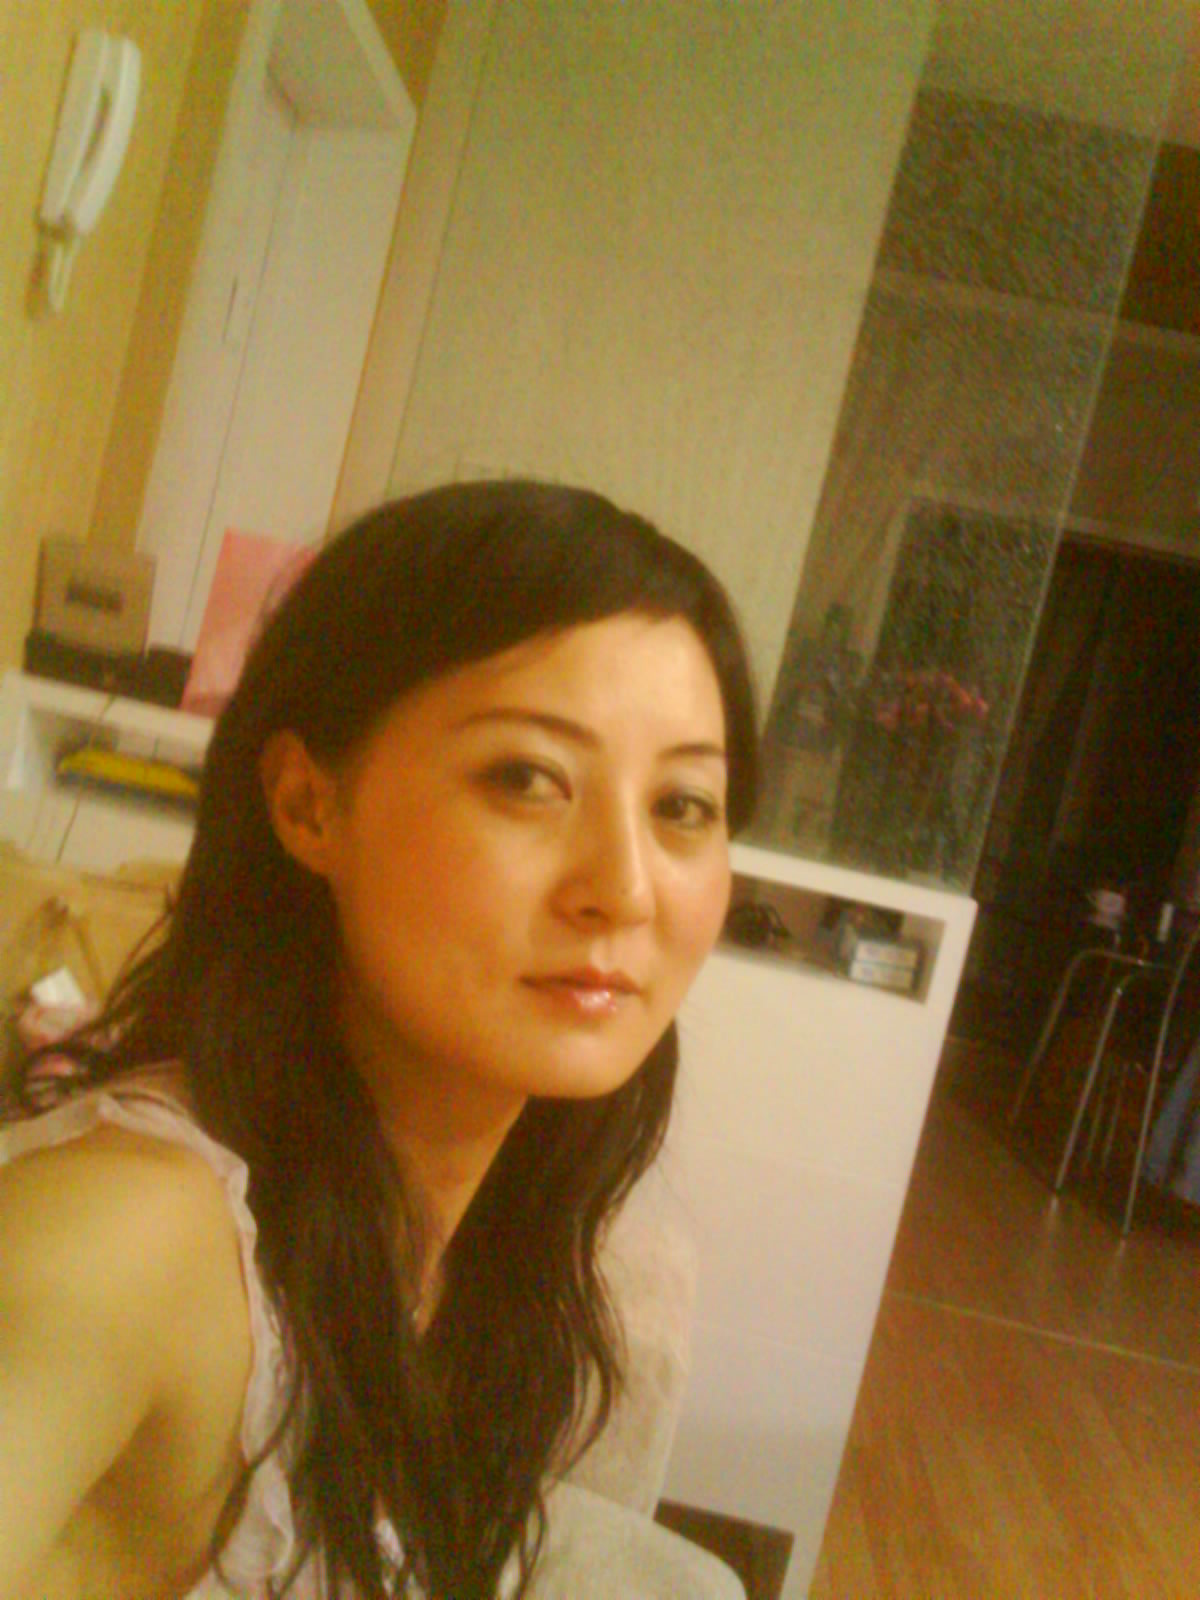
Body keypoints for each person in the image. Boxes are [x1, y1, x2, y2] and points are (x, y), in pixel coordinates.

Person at [0, 480, 758, 1600]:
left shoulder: (491, 1217)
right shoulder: (124, 1244)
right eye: (526, 779)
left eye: (683, 805)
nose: (627, 887)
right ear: (309, 804)